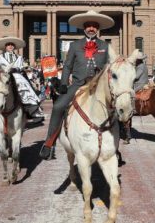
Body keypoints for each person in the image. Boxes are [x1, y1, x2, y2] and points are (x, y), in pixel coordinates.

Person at [39, 10, 113, 160]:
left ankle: (115, 145)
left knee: (116, 107)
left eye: (94, 26)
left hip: (99, 85)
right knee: (59, 106)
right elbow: (67, 66)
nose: (91, 28)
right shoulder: (74, 45)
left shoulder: (105, 45)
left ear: (98, 28)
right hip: (78, 83)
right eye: (88, 26)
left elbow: (110, 66)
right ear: (84, 28)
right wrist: (64, 84)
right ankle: (49, 142)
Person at [0, 37, 45, 125]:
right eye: (8, 45)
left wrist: (16, 69)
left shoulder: (19, 57)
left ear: (14, 47)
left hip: (16, 75)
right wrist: (4, 70)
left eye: (12, 45)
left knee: (24, 86)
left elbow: (21, 67)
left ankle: (33, 111)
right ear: (5, 47)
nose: (10, 46)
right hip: (4, 75)